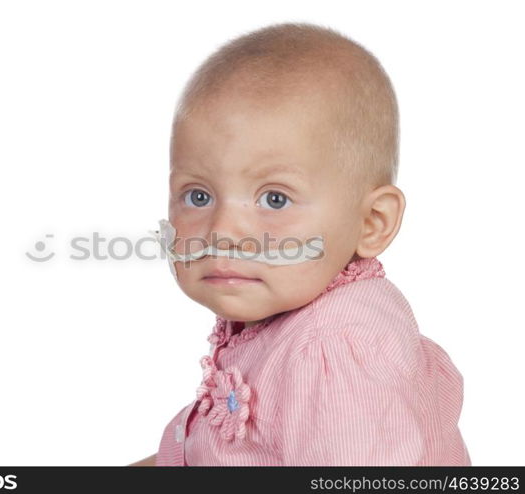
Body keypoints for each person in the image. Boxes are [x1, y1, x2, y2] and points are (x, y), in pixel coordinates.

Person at [129, 21, 470, 466]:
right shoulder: (288, 298)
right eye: (198, 196)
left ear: (371, 222)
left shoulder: (334, 353)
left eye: (275, 198)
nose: (223, 233)